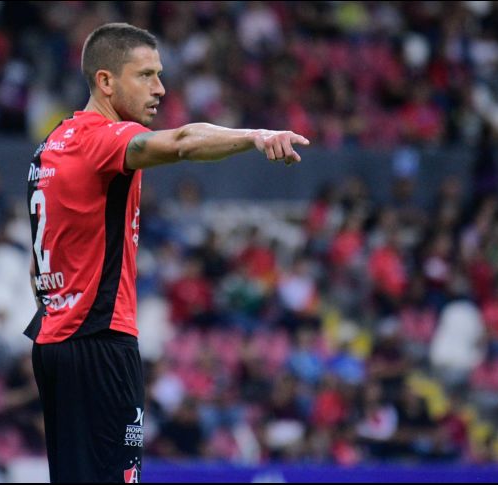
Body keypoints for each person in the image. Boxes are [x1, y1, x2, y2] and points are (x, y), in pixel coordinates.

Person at [25, 22, 309, 483]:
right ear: (105, 81)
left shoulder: (51, 146)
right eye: (146, 75)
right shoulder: (101, 139)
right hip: (99, 342)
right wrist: (255, 136)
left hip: (56, 343)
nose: (160, 88)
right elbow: (179, 143)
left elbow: (40, 259)